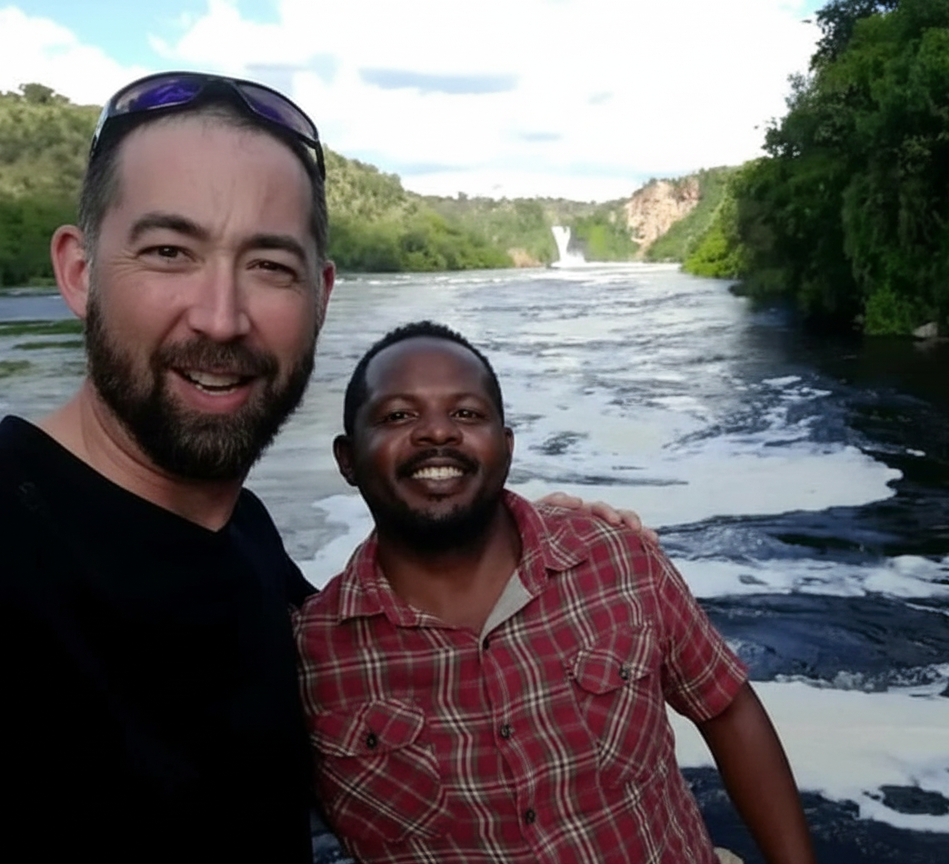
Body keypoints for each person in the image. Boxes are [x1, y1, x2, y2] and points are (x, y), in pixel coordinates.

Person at [0, 71, 644, 863]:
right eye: (170, 251)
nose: (221, 317)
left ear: (321, 294)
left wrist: (524, 543)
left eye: (270, 265)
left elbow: (399, 655)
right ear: (80, 271)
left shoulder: (243, 535)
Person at [294, 321, 817, 864]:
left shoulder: (617, 559)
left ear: (507, 446)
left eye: (467, 414)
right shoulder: (309, 659)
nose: (438, 433)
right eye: (398, 415)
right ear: (347, 458)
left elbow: (726, 709)